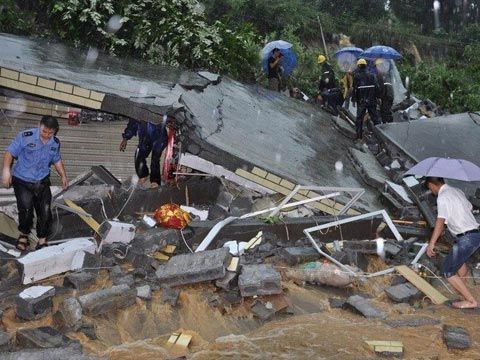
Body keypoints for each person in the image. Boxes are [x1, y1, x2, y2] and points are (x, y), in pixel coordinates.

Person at [2, 116, 69, 251]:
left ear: (55, 131)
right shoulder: (25, 136)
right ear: (39, 126)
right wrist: (6, 171)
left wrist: (63, 176)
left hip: (42, 180)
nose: (47, 136)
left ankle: (42, 239)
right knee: (26, 210)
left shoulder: (55, 143)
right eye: (44, 131)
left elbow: (57, 159)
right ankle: (23, 235)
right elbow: (9, 153)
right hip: (22, 180)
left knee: (45, 212)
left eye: (51, 133)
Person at [426, 177, 480, 309]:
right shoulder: (457, 191)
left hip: (466, 238)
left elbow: (440, 221)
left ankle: (471, 301)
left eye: (429, 187)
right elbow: (469, 207)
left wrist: (432, 243)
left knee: (447, 270)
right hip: (474, 234)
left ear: (432, 185)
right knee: (460, 265)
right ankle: (463, 294)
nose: (430, 190)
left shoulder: (442, 196)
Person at [119, 118, 168, 189]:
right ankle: (143, 175)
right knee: (139, 155)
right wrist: (125, 138)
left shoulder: (154, 113)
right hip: (145, 138)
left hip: (159, 138)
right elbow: (131, 125)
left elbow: (163, 121)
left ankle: (155, 181)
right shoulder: (137, 113)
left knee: (155, 159)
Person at [352, 58, 379, 141]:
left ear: (359, 66)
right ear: (366, 66)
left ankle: (359, 137)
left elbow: (355, 89)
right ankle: (380, 138)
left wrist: (354, 100)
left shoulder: (356, 77)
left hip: (361, 101)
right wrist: (377, 98)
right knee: (375, 119)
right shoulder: (372, 75)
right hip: (372, 101)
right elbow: (377, 88)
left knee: (359, 119)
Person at [375, 58, 394, 123]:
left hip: (386, 95)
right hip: (389, 94)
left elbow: (381, 87)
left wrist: (379, 97)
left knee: (385, 111)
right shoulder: (386, 72)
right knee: (386, 110)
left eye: (377, 66)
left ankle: (387, 126)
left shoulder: (379, 74)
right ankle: (388, 124)